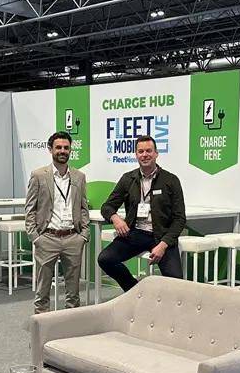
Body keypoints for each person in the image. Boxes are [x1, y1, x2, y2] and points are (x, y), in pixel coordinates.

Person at [98, 135, 186, 291]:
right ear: (136, 155)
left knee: (176, 282)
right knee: (105, 259)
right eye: (141, 151)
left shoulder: (171, 180)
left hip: (162, 236)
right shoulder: (128, 179)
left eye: (149, 151)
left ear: (156, 153)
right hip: (136, 233)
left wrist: (163, 245)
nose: (145, 155)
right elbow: (107, 207)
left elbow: (179, 219)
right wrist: (115, 218)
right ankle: (135, 290)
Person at [25, 131, 90, 313]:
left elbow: (83, 207)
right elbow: (30, 209)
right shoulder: (39, 175)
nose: (62, 151)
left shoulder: (79, 176)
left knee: (73, 293)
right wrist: (35, 237)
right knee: (42, 291)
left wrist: (84, 235)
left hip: (73, 238)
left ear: (70, 150)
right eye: (58, 147)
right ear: (50, 149)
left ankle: (70, 325)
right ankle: (42, 326)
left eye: (66, 148)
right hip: (47, 238)